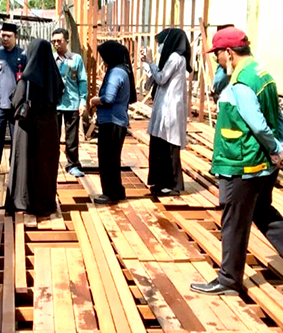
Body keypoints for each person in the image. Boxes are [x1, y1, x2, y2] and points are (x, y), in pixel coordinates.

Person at [191, 27, 283, 295]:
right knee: (263, 213)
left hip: (242, 164)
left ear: (228, 53)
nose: (216, 60)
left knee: (234, 221)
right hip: (262, 165)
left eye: (218, 55)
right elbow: (277, 118)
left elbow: (259, 124)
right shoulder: (262, 75)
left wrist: (276, 148)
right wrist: (278, 149)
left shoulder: (242, 82)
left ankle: (229, 279)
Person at [8, 39, 64, 216]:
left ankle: (23, 202)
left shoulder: (28, 78)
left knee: (25, 163)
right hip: (49, 128)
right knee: (45, 165)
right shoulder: (55, 77)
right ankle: (44, 202)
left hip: (28, 128)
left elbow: (16, 101)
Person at [141, 28, 192, 195]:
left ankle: (172, 184)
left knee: (168, 146)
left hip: (170, 108)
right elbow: (158, 77)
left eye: (161, 43)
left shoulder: (176, 58)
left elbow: (161, 78)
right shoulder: (174, 59)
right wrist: (148, 64)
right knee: (159, 144)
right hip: (164, 106)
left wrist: (150, 61)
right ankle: (160, 181)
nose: (159, 47)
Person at [91, 41, 137, 205]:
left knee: (108, 159)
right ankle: (115, 191)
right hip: (116, 121)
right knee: (112, 159)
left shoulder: (115, 73)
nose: (103, 61)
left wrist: (95, 100)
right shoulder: (122, 70)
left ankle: (111, 193)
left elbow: (108, 98)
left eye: (104, 57)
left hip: (112, 122)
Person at [0, 22, 26, 176]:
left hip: (16, 104)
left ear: (16, 37)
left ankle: (14, 166)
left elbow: (26, 80)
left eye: (9, 36)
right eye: (3, 36)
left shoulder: (23, 55)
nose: (5, 39)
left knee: (16, 138)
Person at [52, 28, 88, 178]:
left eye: (59, 41)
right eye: (53, 41)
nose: (56, 44)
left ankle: (73, 164)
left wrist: (83, 101)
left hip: (72, 102)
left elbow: (82, 80)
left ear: (67, 41)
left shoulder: (76, 59)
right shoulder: (51, 59)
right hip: (54, 104)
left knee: (71, 137)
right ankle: (52, 163)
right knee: (53, 136)